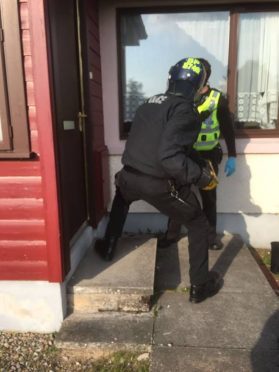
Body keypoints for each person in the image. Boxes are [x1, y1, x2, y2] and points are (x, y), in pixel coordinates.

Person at [95, 57, 223, 303]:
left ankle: (108, 246)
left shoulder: (149, 103)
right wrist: (201, 176)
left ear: (170, 78)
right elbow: (170, 157)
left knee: (121, 200)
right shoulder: (186, 110)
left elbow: (167, 145)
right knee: (197, 222)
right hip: (158, 184)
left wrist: (195, 160)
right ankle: (200, 285)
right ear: (199, 86)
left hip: (128, 176)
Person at [158, 58, 236, 250]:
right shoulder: (181, 96)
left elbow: (227, 129)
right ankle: (171, 235)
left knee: (209, 197)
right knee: (176, 195)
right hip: (182, 154)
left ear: (205, 77)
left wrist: (232, 155)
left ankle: (211, 239)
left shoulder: (217, 98)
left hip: (207, 156)